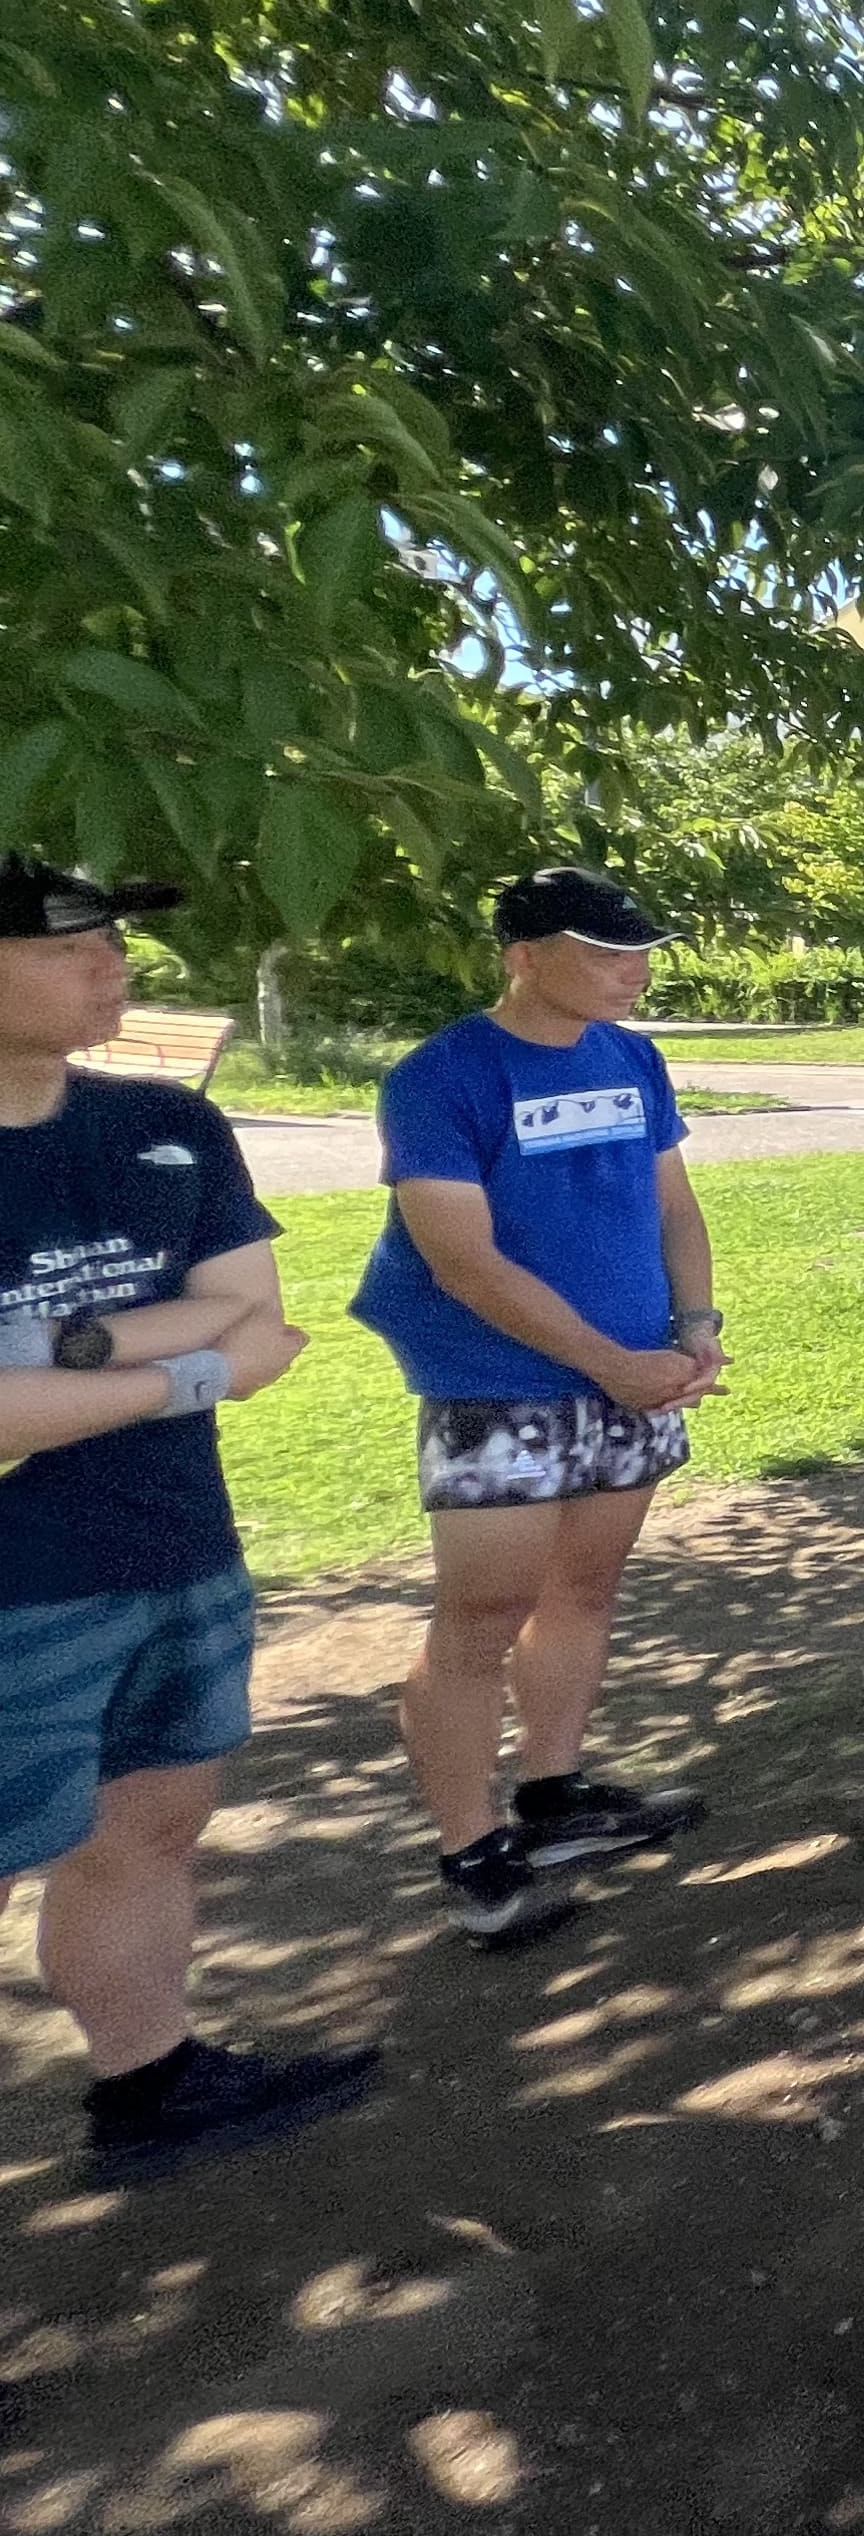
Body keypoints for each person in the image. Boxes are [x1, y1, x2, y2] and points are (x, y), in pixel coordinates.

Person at [0, 853, 379, 2180]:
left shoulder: (167, 1124)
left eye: (114, 940)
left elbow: (258, 1325)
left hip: (176, 1549)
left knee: (149, 1829)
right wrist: (179, 1369)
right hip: (17, 1590)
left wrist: (58, 1348)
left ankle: (147, 2083)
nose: (112, 965)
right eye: (69, 945)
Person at [354, 866, 719, 1948]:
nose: (632, 972)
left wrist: (695, 1326)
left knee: (584, 1592)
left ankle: (553, 1798)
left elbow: (675, 1206)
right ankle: (472, 1852)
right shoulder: (441, 1077)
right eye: (604, 953)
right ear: (522, 956)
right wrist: (612, 1363)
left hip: (637, 1371)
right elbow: (461, 1263)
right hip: (496, 1383)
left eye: (639, 952)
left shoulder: (633, 1058)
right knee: (480, 1621)